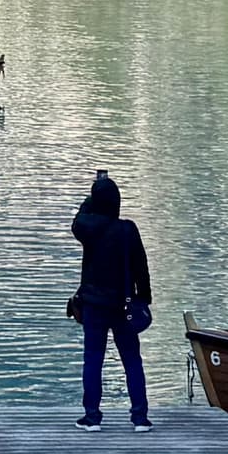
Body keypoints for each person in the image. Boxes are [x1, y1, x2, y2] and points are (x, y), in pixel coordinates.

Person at [68, 169, 155, 429]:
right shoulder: (128, 229)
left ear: (96, 203)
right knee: (132, 360)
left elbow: (79, 218)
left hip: (94, 305)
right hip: (124, 305)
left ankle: (92, 417)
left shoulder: (89, 227)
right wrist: (145, 298)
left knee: (93, 359)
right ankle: (140, 418)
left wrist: (91, 194)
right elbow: (142, 266)